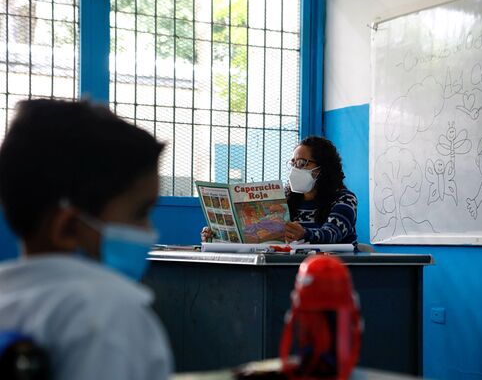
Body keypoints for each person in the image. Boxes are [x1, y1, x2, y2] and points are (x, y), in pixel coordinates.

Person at [0, 99, 172, 379]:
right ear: (67, 228)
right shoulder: (107, 314)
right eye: (140, 213)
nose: (150, 231)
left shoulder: (8, 297)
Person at [201, 136, 357, 245]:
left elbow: (332, 234)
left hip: (332, 272)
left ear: (323, 167)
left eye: (302, 163)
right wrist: (218, 236)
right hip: (290, 269)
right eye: (293, 163)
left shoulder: (344, 199)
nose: (296, 169)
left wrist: (304, 234)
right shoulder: (284, 201)